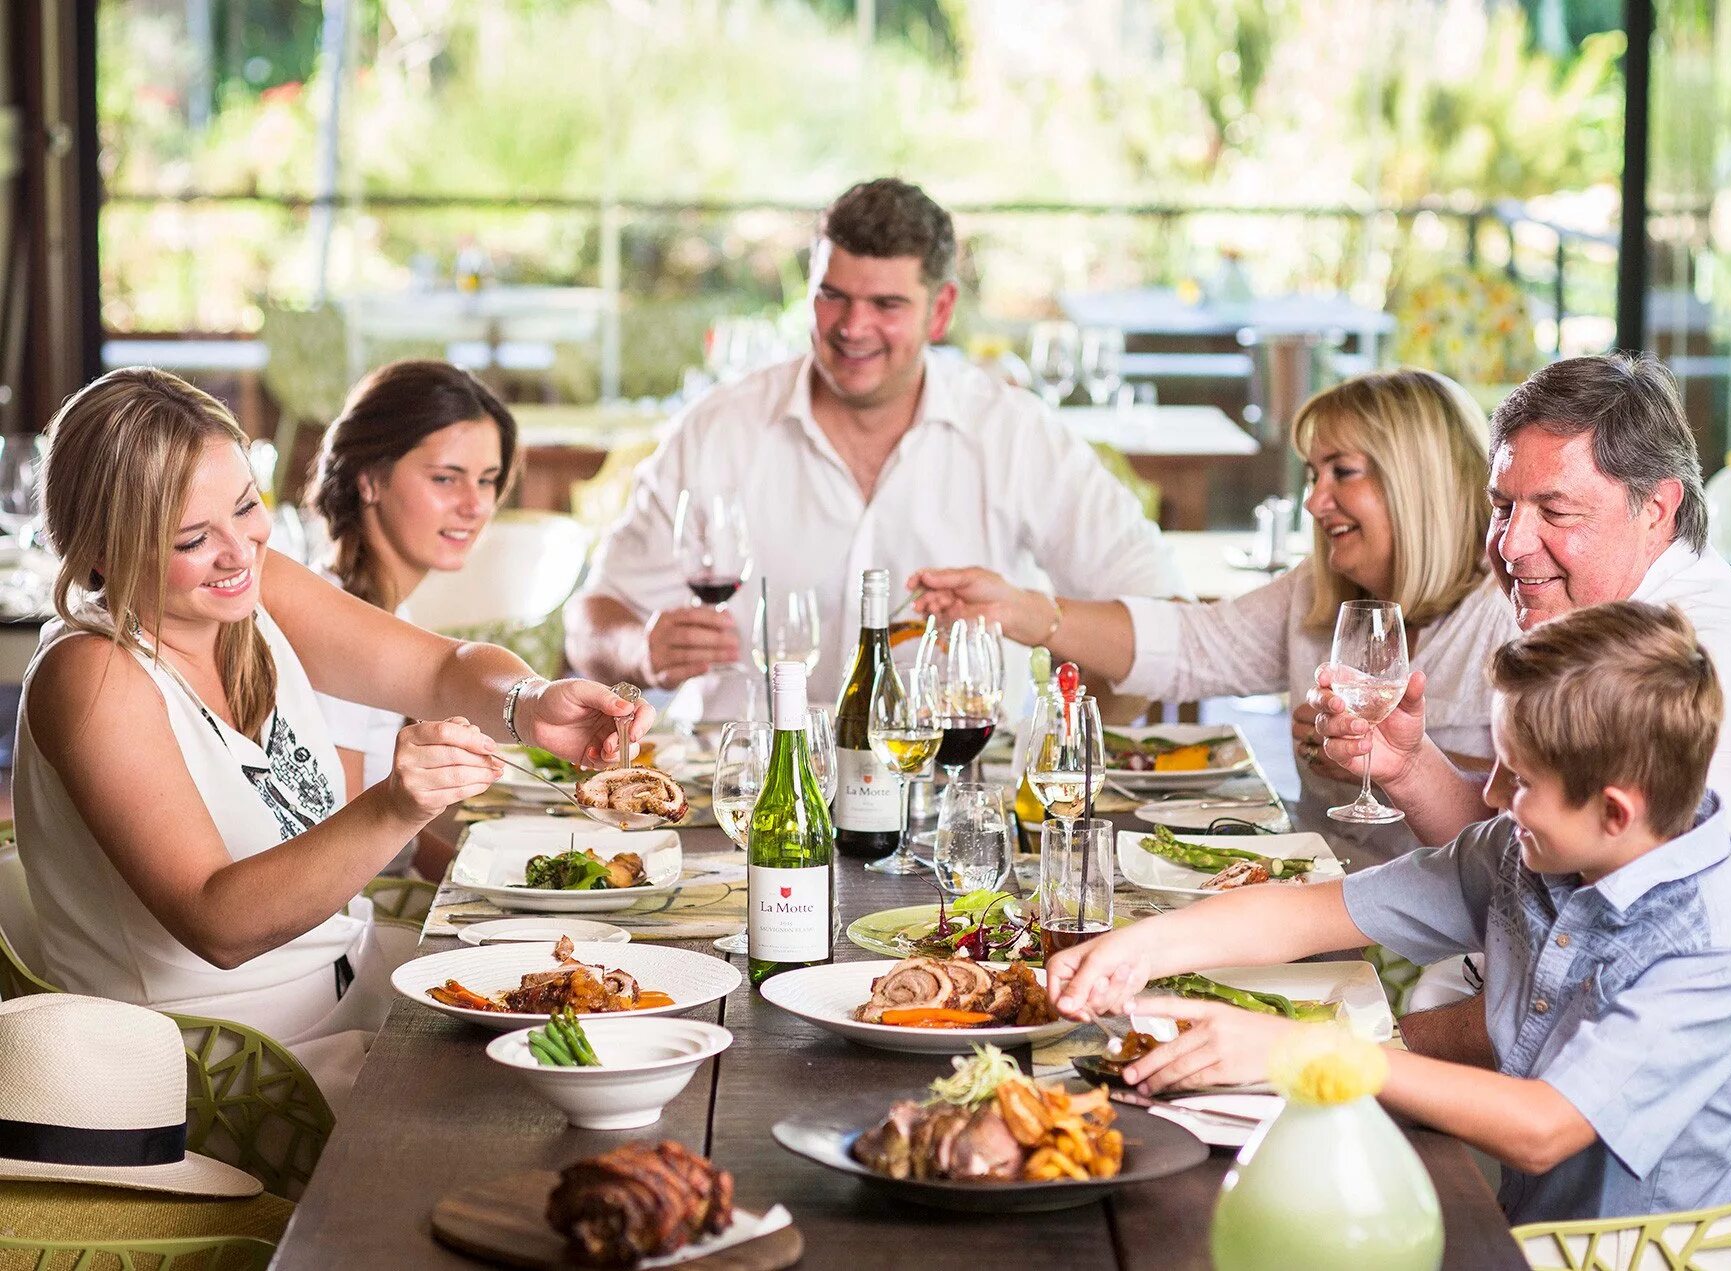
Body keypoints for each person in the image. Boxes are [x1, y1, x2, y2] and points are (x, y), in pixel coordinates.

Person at [15, 368, 645, 1108]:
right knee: (529, 1106)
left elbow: (442, 667)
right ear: (101, 551)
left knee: (611, 1012)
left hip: (350, 995)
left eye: (247, 506)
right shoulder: (94, 673)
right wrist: (394, 806)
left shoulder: (252, 589)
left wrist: (531, 702)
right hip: (223, 1073)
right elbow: (219, 922)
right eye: (193, 536)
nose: (239, 548)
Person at [1050, 602, 1731, 1225]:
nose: (1489, 793)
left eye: (1519, 779)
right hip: (1513, 1217)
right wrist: (1141, 947)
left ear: (1616, 810)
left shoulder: (1707, 951)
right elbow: (1316, 912)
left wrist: (1294, 1048)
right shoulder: (1537, 850)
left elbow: (1543, 1127)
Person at [1311, 353, 1731, 978]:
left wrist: (1372, 1047)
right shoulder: (1622, 618)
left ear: (1656, 507)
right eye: (1503, 507)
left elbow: (1601, 984)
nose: (1512, 545)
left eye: (1557, 512)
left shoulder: (1682, 668)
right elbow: (1527, 855)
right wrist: (1407, 765)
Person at [565, 177, 1182, 718]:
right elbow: (590, 622)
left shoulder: (1015, 433)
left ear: (939, 312)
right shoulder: (718, 428)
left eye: (886, 304)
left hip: (949, 796)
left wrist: (1063, 704)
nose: (853, 328)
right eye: (833, 296)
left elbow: (1160, 624)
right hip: (741, 796)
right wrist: (639, 647)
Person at [911, 368, 1519, 860]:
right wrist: (1021, 608)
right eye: (1313, 474)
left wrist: (1387, 758)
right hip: (1326, 885)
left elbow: (1528, 812)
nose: (1313, 499)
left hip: (1442, 937)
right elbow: (1186, 646)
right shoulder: (1317, 596)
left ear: (1417, 480)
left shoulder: (1512, 613)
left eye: (1343, 472)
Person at [306, 360, 519, 879]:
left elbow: (399, 843)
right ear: (371, 480)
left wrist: (494, 884)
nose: (474, 506)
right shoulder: (339, 628)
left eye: (487, 481)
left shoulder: (383, 607)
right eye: (446, 478)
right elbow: (346, 843)